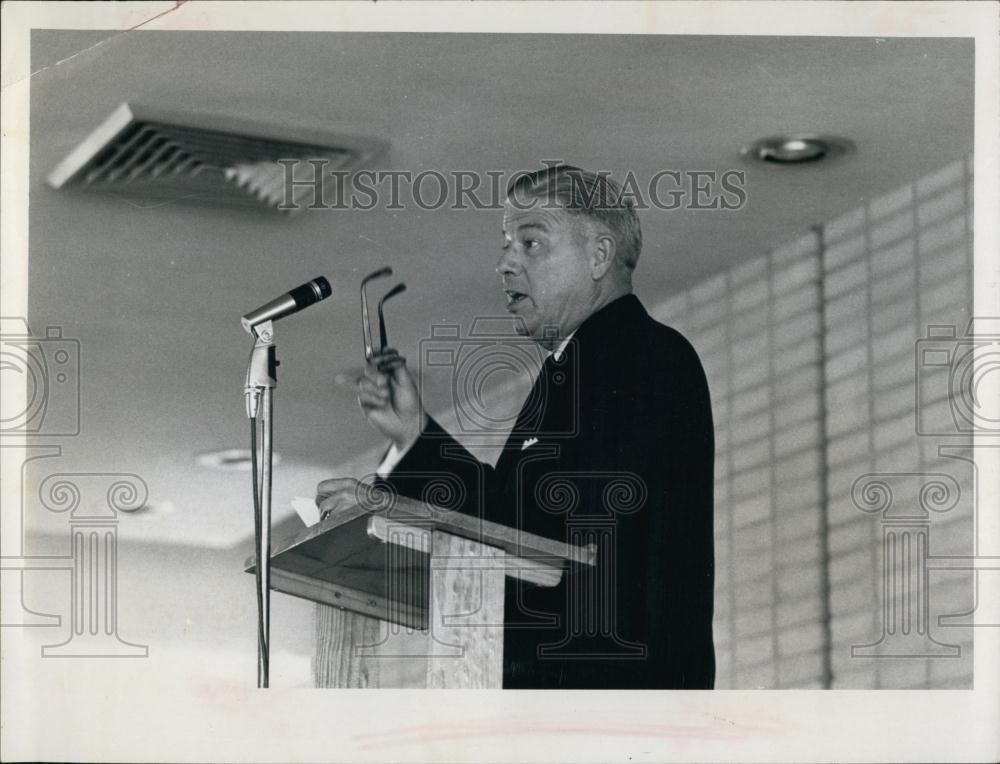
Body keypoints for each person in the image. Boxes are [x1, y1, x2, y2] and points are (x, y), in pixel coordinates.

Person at [317, 165, 715, 689]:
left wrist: (398, 507)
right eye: (506, 244)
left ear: (598, 255)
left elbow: (563, 526)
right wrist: (414, 438)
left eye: (530, 243)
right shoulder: (571, 368)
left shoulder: (647, 357)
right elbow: (520, 515)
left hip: (613, 707)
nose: (504, 264)